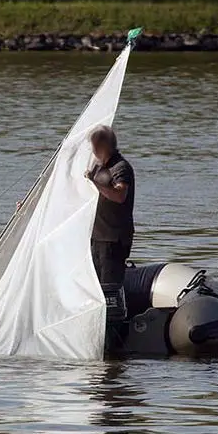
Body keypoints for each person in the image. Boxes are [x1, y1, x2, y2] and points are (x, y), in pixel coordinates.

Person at [84, 125, 135, 318]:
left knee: (109, 288)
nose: (93, 151)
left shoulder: (120, 168)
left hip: (114, 239)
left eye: (95, 146)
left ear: (104, 145)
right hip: (96, 237)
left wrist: (95, 183)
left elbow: (120, 195)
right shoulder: (98, 167)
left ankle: (113, 328)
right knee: (94, 286)